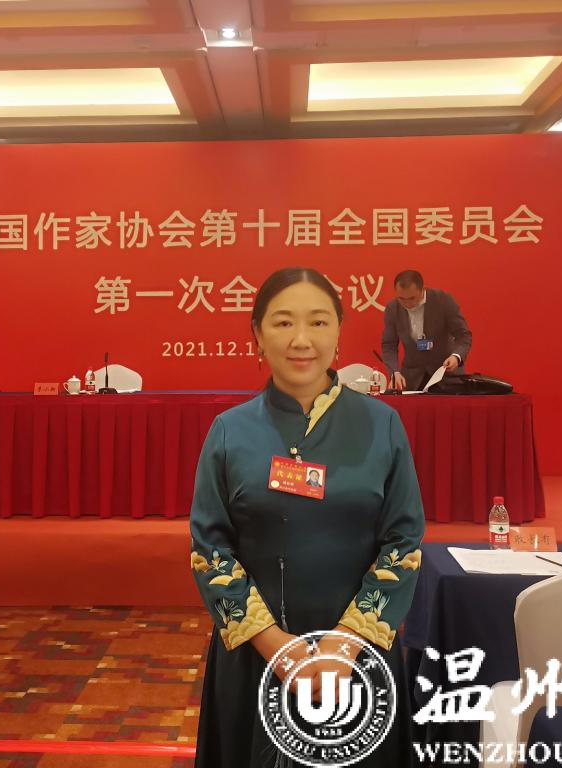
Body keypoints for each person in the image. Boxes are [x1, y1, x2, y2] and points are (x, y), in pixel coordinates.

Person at [190, 266, 424, 768]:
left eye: (318, 322)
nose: (301, 340)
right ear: (257, 335)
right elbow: (210, 549)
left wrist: (348, 642)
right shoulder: (229, 431)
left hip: (359, 657)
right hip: (256, 655)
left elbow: (404, 540)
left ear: (338, 333)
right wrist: (276, 645)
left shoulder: (382, 424)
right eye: (283, 323)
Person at [381, 269, 472, 391]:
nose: (407, 304)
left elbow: (463, 335)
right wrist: (394, 372)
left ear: (423, 289)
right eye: (401, 298)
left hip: (446, 375)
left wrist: (456, 356)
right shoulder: (393, 308)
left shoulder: (442, 300)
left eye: (412, 298)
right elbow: (389, 345)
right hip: (412, 380)